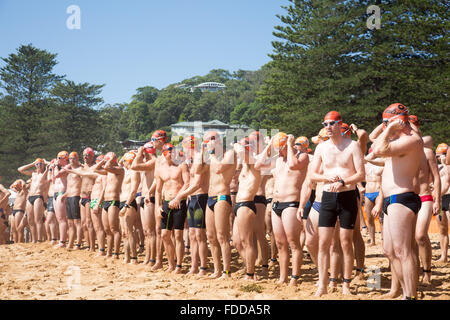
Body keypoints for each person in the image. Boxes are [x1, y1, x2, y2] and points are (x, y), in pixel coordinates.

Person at [310, 111, 365, 296]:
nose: (328, 127)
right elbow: (312, 174)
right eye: (325, 124)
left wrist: (343, 182)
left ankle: (346, 285)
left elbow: (360, 174)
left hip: (347, 196)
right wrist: (326, 177)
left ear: (340, 125)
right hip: (327, 197)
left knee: (345, 242)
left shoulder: (353, 146)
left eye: (331, 123)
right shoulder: (321, 148)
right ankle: (322, 285)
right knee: (324, 243)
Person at [372, 103, 423, 300]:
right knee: (390, 251)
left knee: (403, 250)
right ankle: (401, 290)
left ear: (400, 121)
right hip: (391, 200)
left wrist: (392, 127)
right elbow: (374, 140)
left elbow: (378, 148)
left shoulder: (411, 140)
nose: (385, 127)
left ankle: (410, 295)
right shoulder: (397, 138)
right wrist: (388, 126)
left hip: (402, 198)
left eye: (388, 122)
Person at [257, 132, 309, 286]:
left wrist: (289, 145)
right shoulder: (278, 159)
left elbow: (293, 165)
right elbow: (258, 164)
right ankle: (283, 276)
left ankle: (295, 277)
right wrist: (269, 145)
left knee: (293, 243)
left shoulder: (302, 156)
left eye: (280, 148)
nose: (279, 152)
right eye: (277, 149)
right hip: (276, 204)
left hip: (291, 203)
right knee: (280, 243)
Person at [169, 135, 210, 276]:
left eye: (185, 146)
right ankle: (194, 266)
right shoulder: (191, 161)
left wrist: (179, 196)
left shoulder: (201, 158)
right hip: (192, 199)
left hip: (200, 198)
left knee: (199, 234)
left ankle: (203, 267)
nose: (183, 150)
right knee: (192, 234)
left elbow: (197, 183)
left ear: (189, 146)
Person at [204, 131, 237, 279]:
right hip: (210, 197)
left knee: (222, 235)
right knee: (210, 236)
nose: (211, 141)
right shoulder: (210, 157)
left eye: (213, 138)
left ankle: (226, 271)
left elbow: (219, 169)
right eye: (208, 140)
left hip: (222, 196)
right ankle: (217, 269)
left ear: (219, 140)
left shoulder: (229, 154)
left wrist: (211, 154)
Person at [231, 137, 263, 281]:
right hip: (239, 205)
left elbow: (243, 152)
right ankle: (249, 268)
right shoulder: (244, 165)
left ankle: (250, 274)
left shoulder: (253, 164)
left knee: (247, 242)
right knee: (237, 242)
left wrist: (237, 144)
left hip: (246, 204)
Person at [155, 143, 190, 273]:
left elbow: (187, 183)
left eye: (174, 151)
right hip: (167, 203)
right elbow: (158, 190)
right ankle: (171, 264)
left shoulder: (181, 165)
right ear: (164, 153)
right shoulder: (160, 169)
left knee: (178, 235)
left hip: (179, 202)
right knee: (164, 235)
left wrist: (178, 198)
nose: (173, 153)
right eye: (170, 151)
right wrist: (158, 205)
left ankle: (179, 265)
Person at [414, 133, 441, 284]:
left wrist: (438, 199)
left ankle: (427, 272)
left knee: (420, 235)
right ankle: (415, 270)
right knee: (410, 239)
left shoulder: (427, 152)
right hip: (408, 198)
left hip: (424, 196)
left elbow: (436, 177)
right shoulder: (404, 150)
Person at [131, 142, 157, 266]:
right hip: (144, 198)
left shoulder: (153, 161)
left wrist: (139, 154)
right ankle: (148, 256)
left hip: (151, 198)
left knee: (151, 231)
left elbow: (134, 166)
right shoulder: (147, 162)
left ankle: (152, 258)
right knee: (146, 231)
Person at [18, 158, 50, 243]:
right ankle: (34, 240)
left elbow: (53, 165)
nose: (39, 165)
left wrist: (46, 162)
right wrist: (32, 163)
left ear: (43, 165)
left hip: (38, 196)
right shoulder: (33, 173)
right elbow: (20, 169)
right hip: (30, 197)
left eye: (40, 164)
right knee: (30, 220)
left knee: (38, 219)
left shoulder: (45, 173)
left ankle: (39, 239)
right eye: (37, 164)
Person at [99, 152, 124, 259]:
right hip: (106, 201)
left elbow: (106, 166)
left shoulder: (119, 169)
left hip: (114, 200)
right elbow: (95, 169)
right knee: (107, 230)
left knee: (114, 229)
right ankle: (109, 253)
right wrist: (103, 160)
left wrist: (112, 158)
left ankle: (116, 253)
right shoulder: (108, 171)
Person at [119, 151, 141, 264]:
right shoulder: (125, 171)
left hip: (129, 202)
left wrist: (126, 205)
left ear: (129, 161)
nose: (123, 162)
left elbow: (133, 191)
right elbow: (119, 163)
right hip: (122, 202)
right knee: (124, 232)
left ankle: (134, 257)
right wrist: (126, 154)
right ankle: (126, 257)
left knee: (129, 231)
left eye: (125, 161)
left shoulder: (134, 172)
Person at [59, 152, 83, 250]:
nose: (71, 160)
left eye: (73, 158)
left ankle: (78, 243)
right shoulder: (69, 171)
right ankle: (71, 243)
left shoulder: (80, 169)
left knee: (77, 222)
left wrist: (82, 196)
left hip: (76, 196)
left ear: (77, 159)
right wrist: (64, 195)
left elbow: (84, 184)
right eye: (70, 159)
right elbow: (70, 186)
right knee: (70, 223)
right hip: (69, 197)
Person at [363, 148, 383, 246]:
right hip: (368, 192)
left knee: (380, 218)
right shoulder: (365, 165)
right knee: (369, 218)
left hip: (378, 191)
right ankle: (372, 240)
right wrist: (360, 186)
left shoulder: (381, 164)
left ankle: (384, 239)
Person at [436, 143, 449, 262]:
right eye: (438, 156)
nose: (440, 158)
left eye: (442, 155)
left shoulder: (448, 167)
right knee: (442, 229)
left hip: (448, 197)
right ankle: (444, 255)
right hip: (440, 200)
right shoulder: (437, 168)